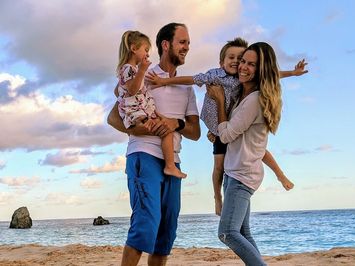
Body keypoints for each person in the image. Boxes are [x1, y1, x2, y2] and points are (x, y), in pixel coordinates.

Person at [147, 37, 305, 215]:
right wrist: (163, 82)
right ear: (221, 62)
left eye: (240, 59)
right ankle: (217, 197)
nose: (237, 62)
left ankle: (280, 175)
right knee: (219, 167)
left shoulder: (242, 78)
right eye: (232, 58)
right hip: (217, 127)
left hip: (230, 125)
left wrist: (293, 73)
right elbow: (191, 79)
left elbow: (269, 74)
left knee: (259, 150)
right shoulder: (214, 75)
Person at [107, 23, 200, 266]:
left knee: (165, 234)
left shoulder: (186, 87)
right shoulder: (143, 74)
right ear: (165, 44)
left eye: (188, 43)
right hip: (143, 154)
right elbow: (114, 117)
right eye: (182, 42)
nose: (187, 47)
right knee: (145, 225)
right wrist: (139, 128)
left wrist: (174, 123)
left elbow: (195, 131)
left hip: (173, 162)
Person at [207, 42, 294, 265]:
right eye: (243, 61)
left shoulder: (253, 101)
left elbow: (225, 135)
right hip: (237, 171)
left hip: (241, 174)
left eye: (251, 64)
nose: (243, 66)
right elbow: (236, 137)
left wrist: (218, 102)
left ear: (261, 69)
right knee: (243, 232)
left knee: (227, 233)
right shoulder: (247, 97)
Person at [115, 30, 187, 179]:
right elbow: (133, 90)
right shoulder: (129, 69)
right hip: (137, 113)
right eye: (145, 50)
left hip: (139, 110)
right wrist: (142, 70)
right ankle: (170, 166)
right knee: (166, 131)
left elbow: (118, 91)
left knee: (165, 130)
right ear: (134, 49)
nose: (147, 55)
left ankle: (169, 166)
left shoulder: (129, 70)